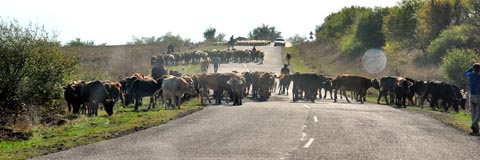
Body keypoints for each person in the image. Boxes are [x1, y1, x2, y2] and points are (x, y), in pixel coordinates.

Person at [466, 63, 480, 136]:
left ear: (473, 69)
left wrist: (472, 67)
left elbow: (466, 72)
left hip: (471, 95)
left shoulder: (470, 75)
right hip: (479, 95)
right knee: (479, 111)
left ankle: (475, 129)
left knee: (473, 112)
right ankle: (474, 124)